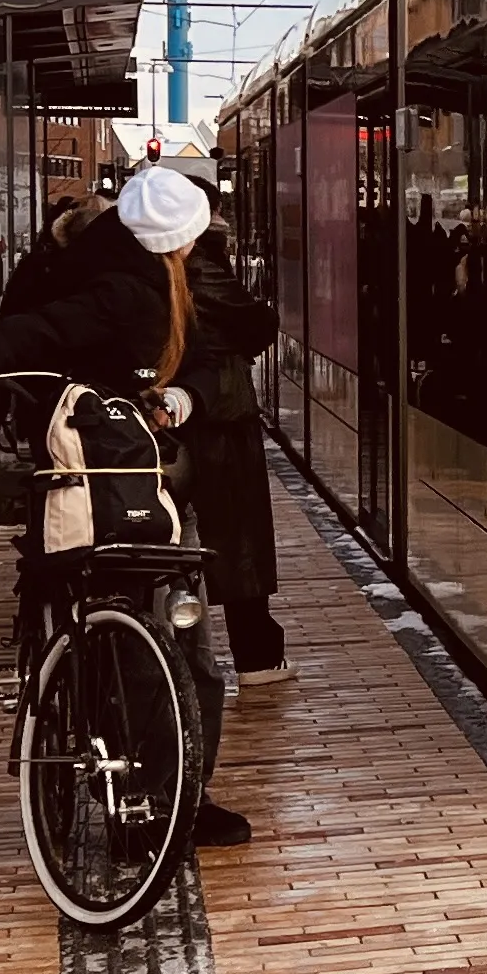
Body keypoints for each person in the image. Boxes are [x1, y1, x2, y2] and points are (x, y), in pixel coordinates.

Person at [0, 163, 249, 849]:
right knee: (168, 648)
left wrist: (180, 399)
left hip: (145, 485)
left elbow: (202, 362)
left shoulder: (145, 276)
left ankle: (174, 791)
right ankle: (159, 798)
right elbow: (38, 331)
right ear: (172, 241)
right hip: (102, 485)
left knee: (174, 648)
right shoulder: (123, 286)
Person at [174, 200, 288, 684]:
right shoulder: (201, 262)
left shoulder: (152, 262)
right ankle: (256, 656)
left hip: (184, 408)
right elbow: (257, 322)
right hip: (217, 410)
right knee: (236, 533)